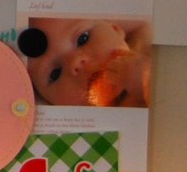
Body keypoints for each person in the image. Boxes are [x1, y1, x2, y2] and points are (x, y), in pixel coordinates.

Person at [23, 15, 151, 107]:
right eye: (55, 74)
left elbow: (142, 23)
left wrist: (146, 80)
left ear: (115, 29)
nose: (75, 62)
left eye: (83, 39)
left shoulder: (146, 53)